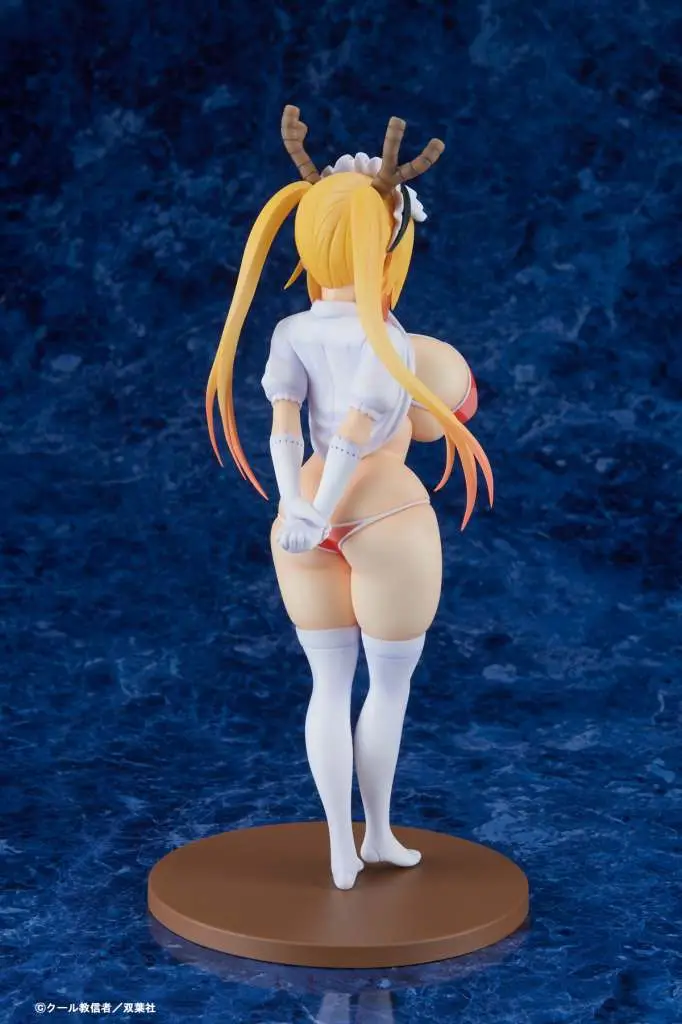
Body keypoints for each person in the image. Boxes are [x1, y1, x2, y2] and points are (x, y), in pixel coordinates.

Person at [206, 106, 493, 890]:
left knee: (327, 687)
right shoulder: (388, 340)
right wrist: (325, 507)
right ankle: (379, 834)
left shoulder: (290, 331)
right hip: (382, 510)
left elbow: (286, 429)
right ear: (387, 245)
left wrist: (298, 510)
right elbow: (357, 438)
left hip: (299, 515)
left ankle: (342, 846)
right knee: (388, 686)